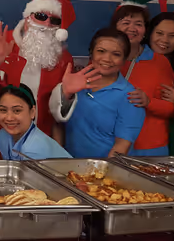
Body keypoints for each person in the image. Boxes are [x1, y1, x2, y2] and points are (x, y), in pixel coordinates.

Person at [0, 0, 76, 159]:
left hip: (38, 146)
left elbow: (55, 113)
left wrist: (66, 95)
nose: (46, 23)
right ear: (29, 16)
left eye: (54, 20)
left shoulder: (63, 58)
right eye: (41, 16)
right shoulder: (3, 41)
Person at [50, 28, 145, 158]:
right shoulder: (76, 82)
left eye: (116, 54)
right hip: (67, 167)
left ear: (124, 60)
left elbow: (122, 146)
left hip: (103, 171)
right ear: (91, 53)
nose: (107, 58)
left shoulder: (130, 96)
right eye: (101, 51)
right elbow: (58, 123)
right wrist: (59, 159)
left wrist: (100, 174)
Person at [111, 5, 174, 157]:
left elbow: (171, 108)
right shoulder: (103, 60)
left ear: (145, 31)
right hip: (109, 146)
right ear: (115, 27)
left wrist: (149, 102)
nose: (132, 28)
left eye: (138, 24)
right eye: (126, 22)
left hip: (149, 148)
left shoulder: (159, 62)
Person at [145, 12, 174, 155]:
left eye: (172, 36)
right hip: (139, 140)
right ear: (149, 34)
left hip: (173, 142)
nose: (165, 40)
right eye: (159, 33)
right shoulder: (133, 61)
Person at [0, 84, 71, 160]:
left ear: (32, 112)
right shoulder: (3, 136)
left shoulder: (35, 147)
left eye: (17, 111)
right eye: (3, 110)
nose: (9, 118)